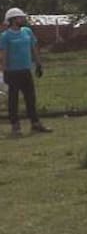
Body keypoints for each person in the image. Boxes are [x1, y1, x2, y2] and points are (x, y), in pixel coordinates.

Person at [1, 8, 49, 137]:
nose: (23, 19)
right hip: (13, 72)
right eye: (20, 17)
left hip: (26, 70)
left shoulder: (27, 32)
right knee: (13, 100)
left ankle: (35, 123)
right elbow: (4, 55)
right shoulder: (6, 36)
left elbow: (34, 48)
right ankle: (15, 127)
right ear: (13, 20)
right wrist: (4, 71)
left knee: (30, 98)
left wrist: (39, 64)